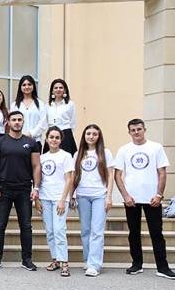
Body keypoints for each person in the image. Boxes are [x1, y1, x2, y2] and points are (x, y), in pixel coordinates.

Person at [114, 118, 174, 279]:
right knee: (134, 233)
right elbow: (117, 175)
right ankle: (136, 264)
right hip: (131, 199)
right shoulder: (124, 150)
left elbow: (162, 172)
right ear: (129, 132)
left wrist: (159, 194)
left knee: (156, 233)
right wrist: (125, 195)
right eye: (133, 130)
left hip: (152, 198)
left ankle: (162, 267)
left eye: (139, 129)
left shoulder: (156, 147)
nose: (136, 132)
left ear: (144, 130)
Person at [0, 110, 42, 271]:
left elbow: (36, 166)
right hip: (3, 189)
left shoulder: (31, 143)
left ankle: (27, 259)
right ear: (8, 122)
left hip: (24, 189)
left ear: (23, 122)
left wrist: (36, 188)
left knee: (26, 226)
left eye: (19, 119)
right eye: (14, 120)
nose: (17, 122)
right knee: (0, 225)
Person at [72, 124, 113, 276]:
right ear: (84, 136)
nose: (91, 136)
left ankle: (94, 265)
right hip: (82, 195)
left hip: (99, 195)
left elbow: (110, 175)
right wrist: (72, 195)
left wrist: (109, 196)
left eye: (94, 134)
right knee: (85, 230)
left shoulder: (105, 153)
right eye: (88, 133)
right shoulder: (78, 154)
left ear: (99, 136)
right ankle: (88, 259)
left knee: (97, 230)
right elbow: (74, 176)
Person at [36, 127, 75, 276]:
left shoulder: (66, 156)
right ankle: (55, 259)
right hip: (45, 197)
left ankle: (64, 262)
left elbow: (69, 179)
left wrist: (63, 200)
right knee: (50, 231)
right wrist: (37, 199)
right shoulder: (42, 157)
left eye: (57, 137)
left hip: (59, 198)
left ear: (61, 140)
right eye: (51, 137)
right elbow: (38, 179)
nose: (54, 140)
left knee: (59, 230)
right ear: (46, 139)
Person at [10, 75, 48, 146]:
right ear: (20, 87)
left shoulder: (40, 104)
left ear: (33, 86)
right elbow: (12, 122)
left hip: (35, 141)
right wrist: (21, 134)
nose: (27, 87)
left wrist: (31, 133)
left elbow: (43, 122)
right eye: (24, 85)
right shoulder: (14, 105)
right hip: (18, 141)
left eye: (29, 84)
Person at [46, 79, 77, 155]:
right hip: (51, 134)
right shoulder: (47, 105)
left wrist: (67, 134)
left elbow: (73, 122)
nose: (58, 90)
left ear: (65, 90)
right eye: (56, 88)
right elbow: (45, 122)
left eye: (61, 87)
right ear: (52, 91)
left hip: (66, 134)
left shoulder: (70, 104)